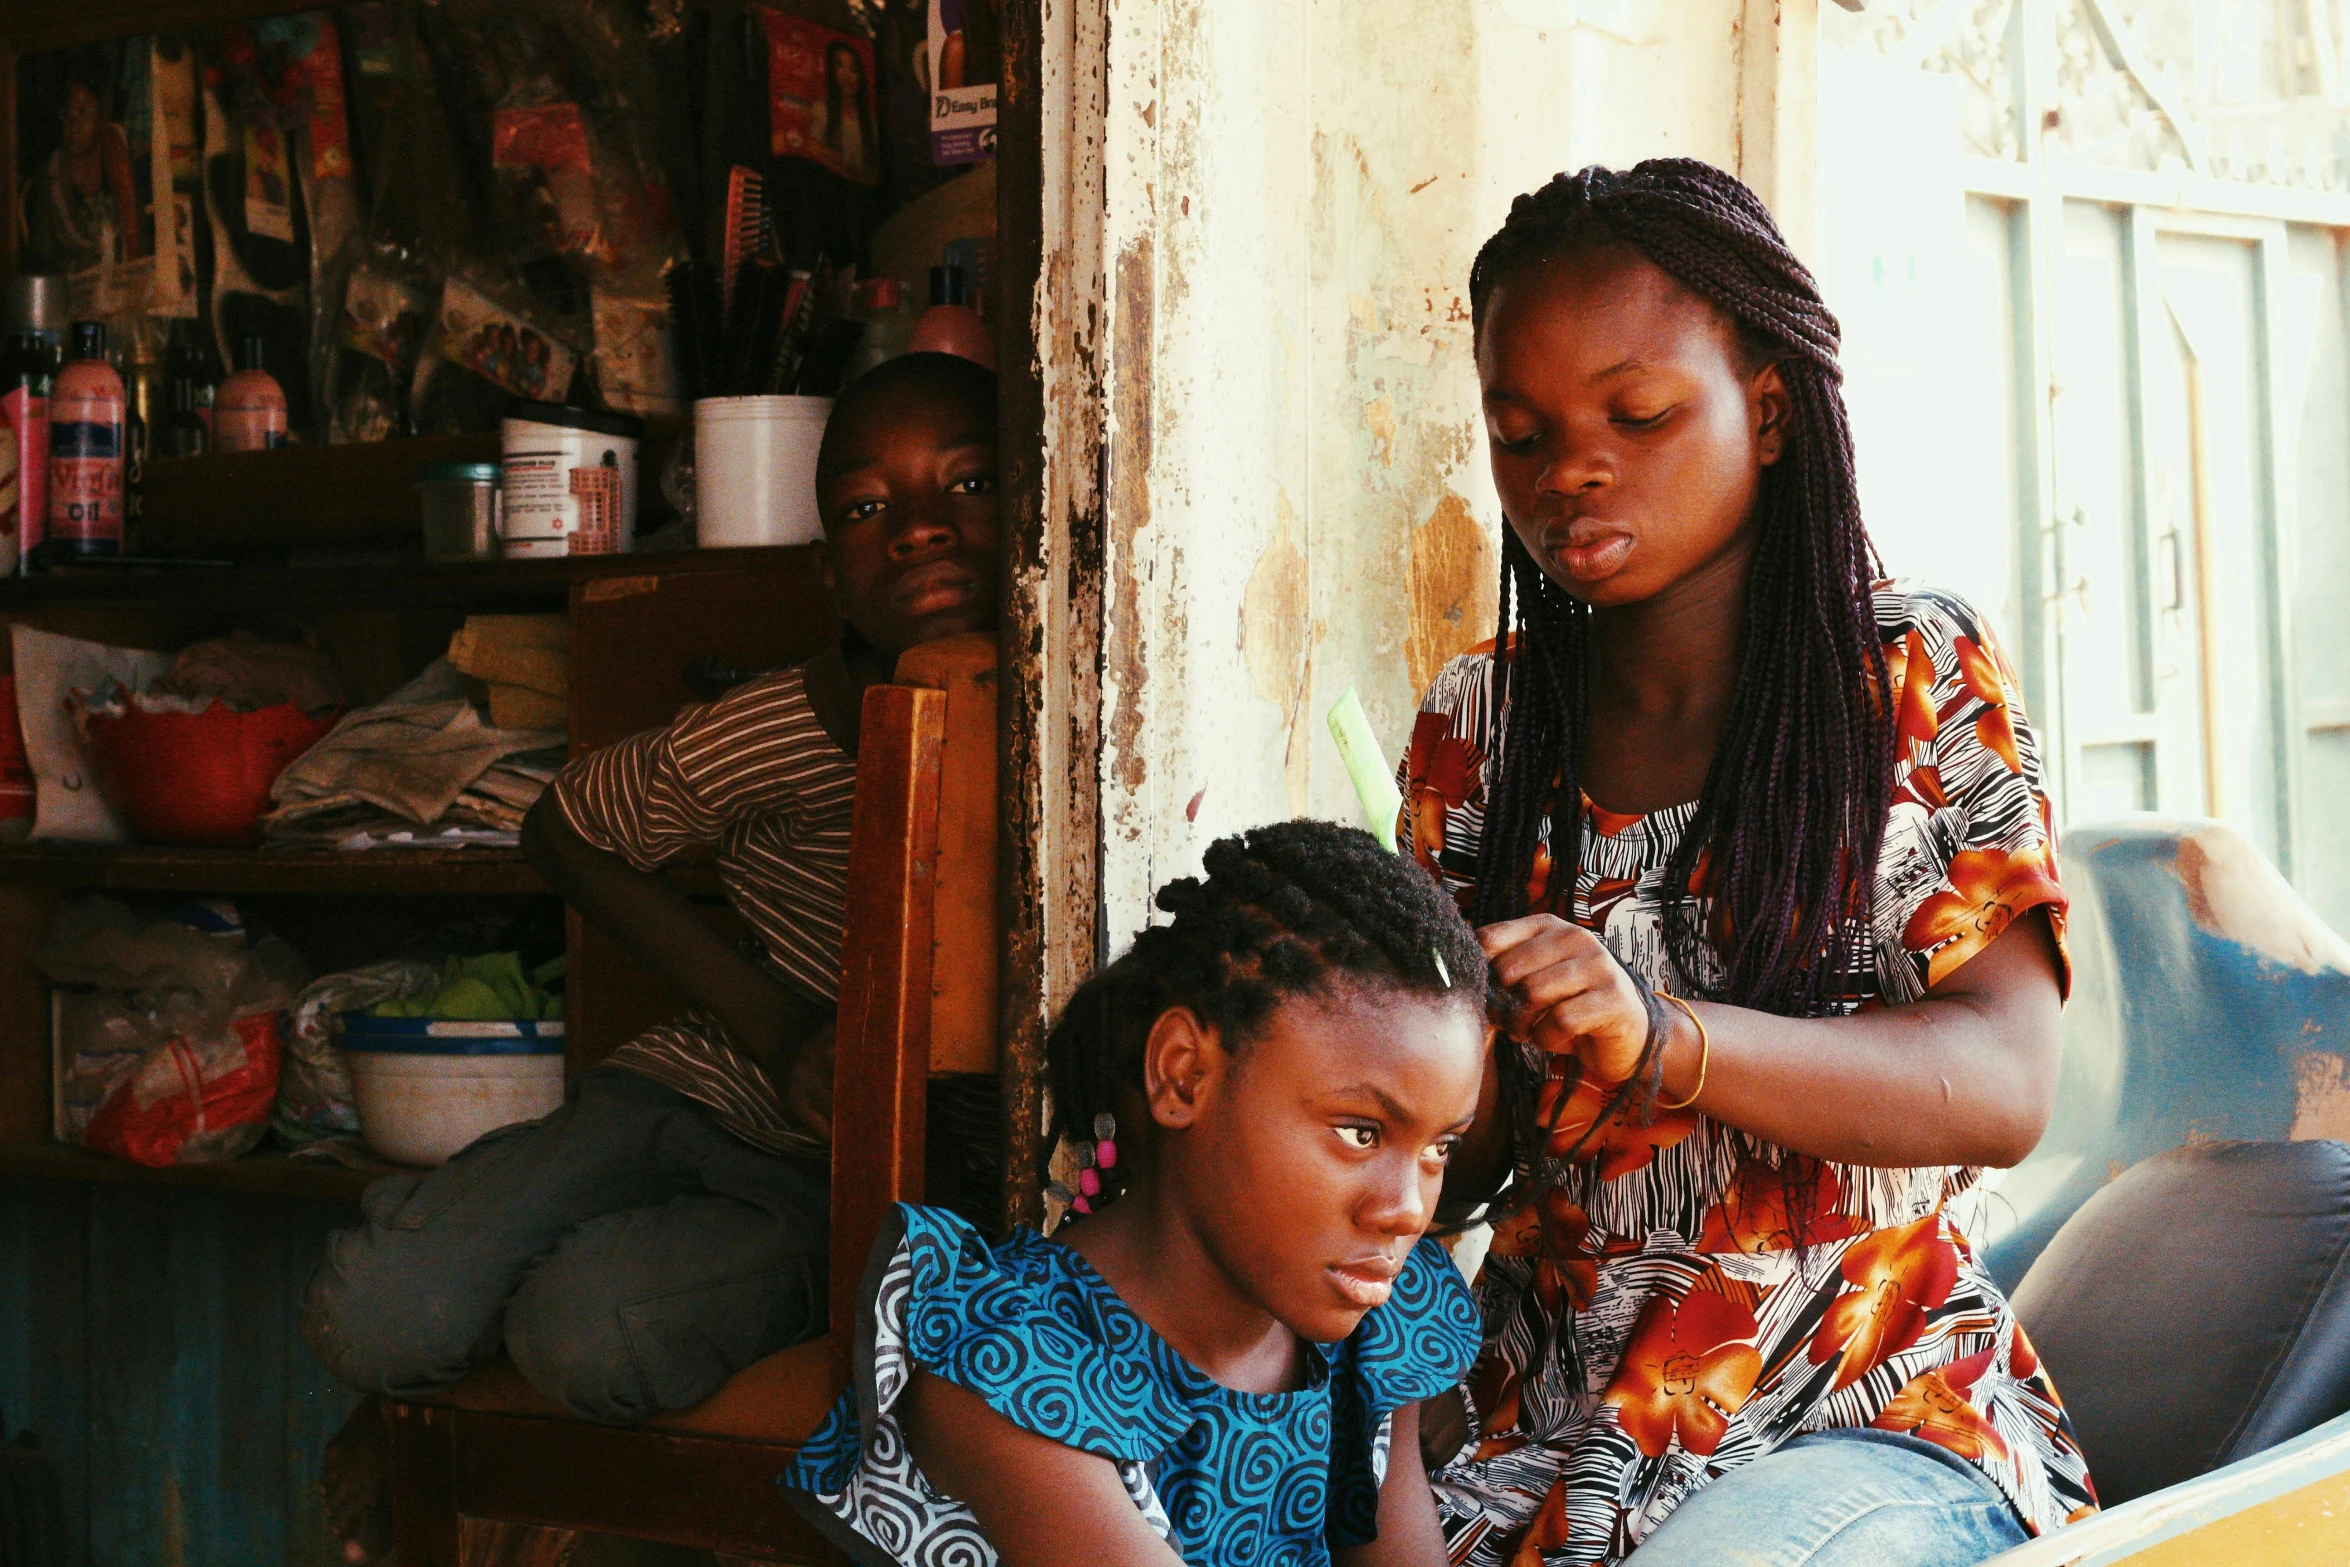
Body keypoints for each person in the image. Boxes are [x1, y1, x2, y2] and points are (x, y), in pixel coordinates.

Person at [1401, 161, 2096, 1567]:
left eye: (1634, 413)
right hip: (1541, 1425)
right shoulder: (1481, 719)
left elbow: (2006, 1081)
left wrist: (1664, 1037)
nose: (1566, 470)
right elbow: (1458, 1156)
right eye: (1517, 432)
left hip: (1860, 1402)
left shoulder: (1906, 675)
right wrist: (1431, 1036)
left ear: (1766, 409)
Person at [303, 352, 1000, 1564]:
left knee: (588, 1331)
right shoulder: (779, 727)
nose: (921, 529)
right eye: (867, 507)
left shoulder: (1077, 730)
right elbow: (562, 823)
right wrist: (780, 1030)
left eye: (972, 481)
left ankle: (474, 1374)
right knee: (374, 1314)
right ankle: (433, 1341)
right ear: (828, 568)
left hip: (826, 1180)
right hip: (688, 1085)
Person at [783, 821, 1489, 1566]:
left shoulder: (1368, 1338)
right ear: (1184, 1074)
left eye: (1441, 1146)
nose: (1408, 1208)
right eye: (1361, 1132)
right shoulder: (1018, 1371)